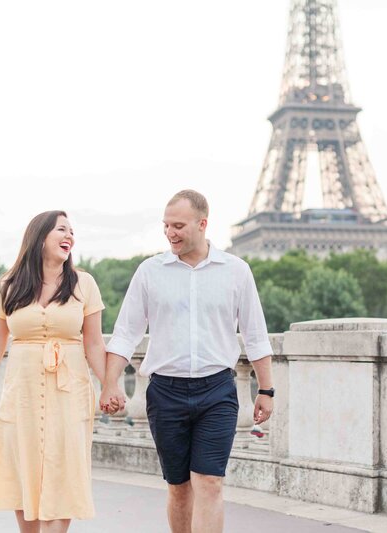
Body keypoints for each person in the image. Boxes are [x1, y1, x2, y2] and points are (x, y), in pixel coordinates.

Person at [100, 189, 274, 533]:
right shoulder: (149, 272)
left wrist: (266, 389)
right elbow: (125, 334)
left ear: (202, 224)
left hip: (217, 391)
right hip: (165, 392)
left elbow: (255, 335)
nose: (170, 232)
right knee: (179, 488)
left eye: (178, 225)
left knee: (210, 482)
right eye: (166, 225)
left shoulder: (236, 271)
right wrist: (110, 383)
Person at [0, 210, 108, 533]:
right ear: (40, 237)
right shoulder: (8, 286)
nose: (70, 237)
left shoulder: (84, 284)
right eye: (61, 230)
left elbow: (94, 344)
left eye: (72, 232)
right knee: (22, 469)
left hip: (69, 392)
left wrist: (111, 385)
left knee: (64, 469)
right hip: (21, 392)